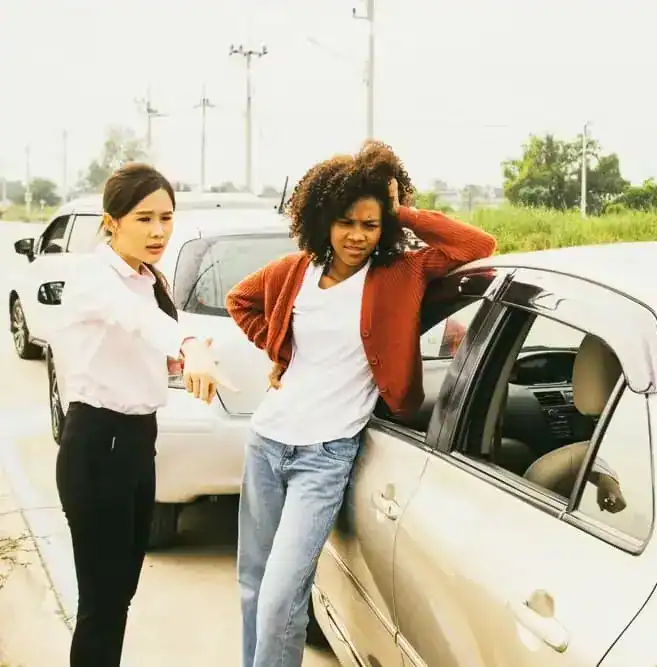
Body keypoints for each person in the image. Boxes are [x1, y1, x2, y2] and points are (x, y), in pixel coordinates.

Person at [226, 141, 497, 667]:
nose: (356, 236)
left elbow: (477, 244)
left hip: (324, 457)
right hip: (266, 444)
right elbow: (242, 301)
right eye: (346, 222)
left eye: (371, 225)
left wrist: (403, 212)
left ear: (385, 228)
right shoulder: (292, 272)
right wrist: (280, 346)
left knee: (283, 598)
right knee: (254, 588)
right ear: (323, 220)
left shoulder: (401, 275)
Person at [51, 163, 230, 667]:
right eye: (143, 218)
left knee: (121, 591)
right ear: (112, 222)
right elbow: (138, 321)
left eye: (166, 218)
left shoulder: (150, 277)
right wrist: (189, 343)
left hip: (136, 442)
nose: (157, 231)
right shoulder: (94, 275)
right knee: (102, 601)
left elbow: (144, 338)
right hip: (96, 445)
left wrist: (179, 357)